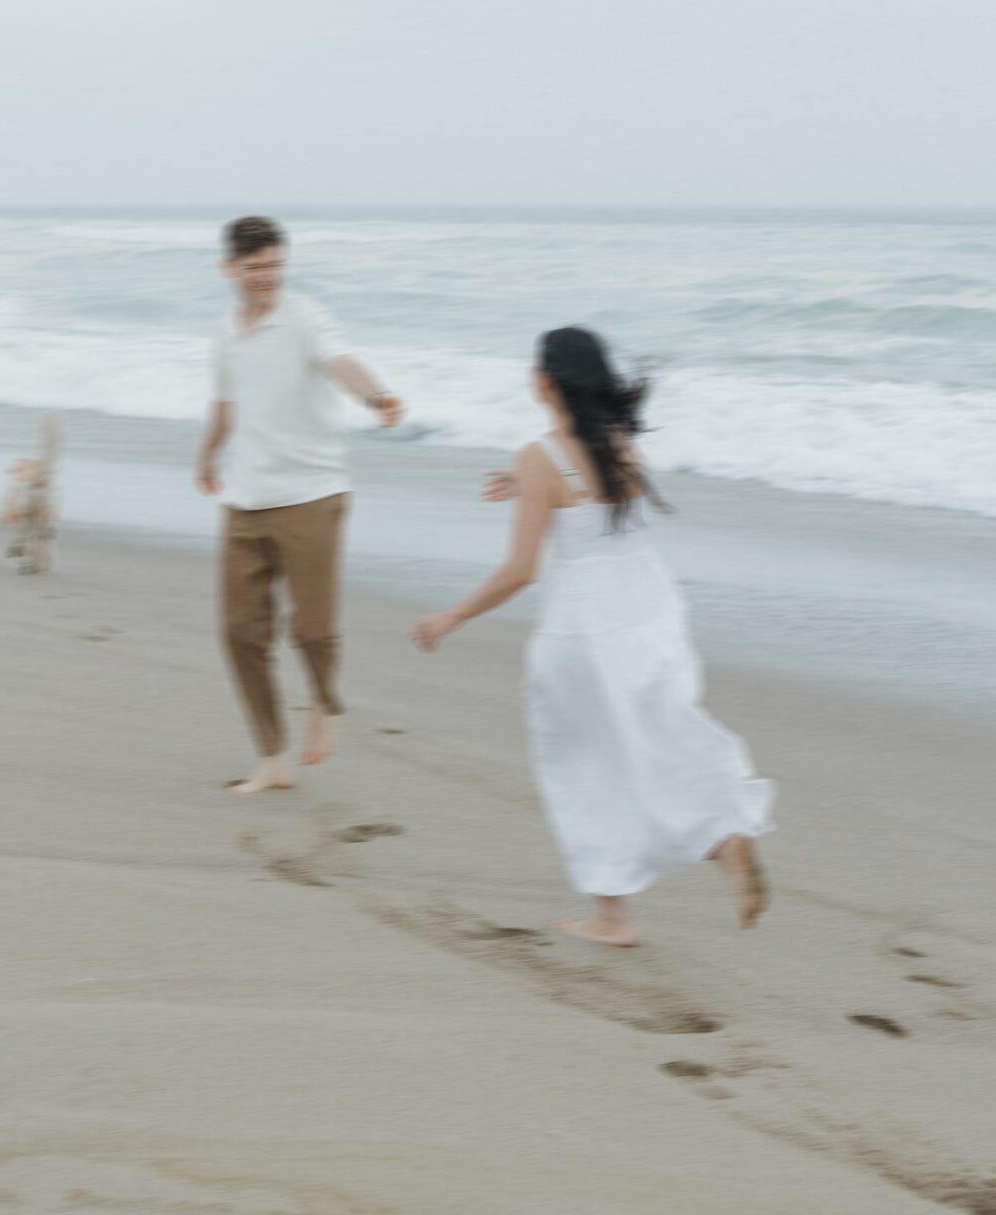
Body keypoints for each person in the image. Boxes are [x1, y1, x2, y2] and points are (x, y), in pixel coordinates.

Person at [413, 326, 773, 947]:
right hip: (645, 612)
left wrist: (453, 615)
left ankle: (614, 916)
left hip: (582, 629)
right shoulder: (619, 444)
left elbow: (521, 570)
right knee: (654, 745)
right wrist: (528, 485)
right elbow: (590, 500)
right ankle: (721, 837)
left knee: (585, 767)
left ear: (546, 381)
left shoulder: (540, 455)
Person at [197, 215, 405, 794]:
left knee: (312, 629)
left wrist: (378, 395)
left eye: (276, 266)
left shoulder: (305, 317)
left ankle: (323, 701)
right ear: (230, 268)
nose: (268, 277)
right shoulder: (225, 334)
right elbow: (225, 406)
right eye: (256, 267)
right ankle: (272, 757)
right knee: (240, 632)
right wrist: (208, 457)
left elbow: (342, 363)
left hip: (313, 492)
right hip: (245, 496)